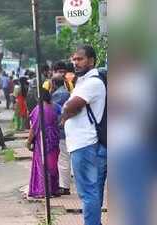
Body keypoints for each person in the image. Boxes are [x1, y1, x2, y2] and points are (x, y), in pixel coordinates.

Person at [61, 45, 107, 225]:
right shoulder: (83, 81)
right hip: (83, 144)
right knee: (92, 191)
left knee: (88, 192)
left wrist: (65, 114)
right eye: (74, 59)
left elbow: (71, 106)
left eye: (79, 59)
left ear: (91, 60)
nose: (75, 62)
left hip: (86, 143)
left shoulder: (93, 82)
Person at [26, 88, 60, 198]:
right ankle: (54, 189)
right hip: (54, 139)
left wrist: (28, 141)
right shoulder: (53, 107)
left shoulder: (39, 109)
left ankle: (43, 190)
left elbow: (33, 127)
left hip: (43, 139)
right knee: (52, 164)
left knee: (42, 164)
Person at [50, 61, 72, 196]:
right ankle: (62, 184)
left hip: (61, 131)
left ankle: (64, 186)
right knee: (63, 158)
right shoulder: (63, 92)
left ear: (53, 83)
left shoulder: (60, 95)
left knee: (63, 158)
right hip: (63, 130)